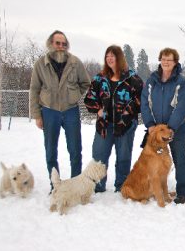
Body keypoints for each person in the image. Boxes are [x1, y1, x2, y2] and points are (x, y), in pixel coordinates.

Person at [30, 30, 90, 189]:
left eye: (64, 44)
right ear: (51, 44)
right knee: (50, 151)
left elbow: (85, 83)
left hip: (71, 110)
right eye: (58, 43)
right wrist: (37, 115)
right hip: (49, 111)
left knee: (75, 150)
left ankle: (75, 185)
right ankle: (55, 186)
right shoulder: (40, 65)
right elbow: (34, 89)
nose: (61, 46)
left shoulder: (75, 63)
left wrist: (74, 95)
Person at [84, 45, 143, 192]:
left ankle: (122, 185)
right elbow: (89, 98)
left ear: (120, 58)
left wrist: (128, 114)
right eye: (107, 56)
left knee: (123, 157)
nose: (109, 58)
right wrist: (97, 109)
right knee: (99, 156)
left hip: (125, 125)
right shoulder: (100, 78)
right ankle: (97, 185)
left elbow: (141, 101)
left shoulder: (132, 78)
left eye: (113, 55)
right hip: (104, 125)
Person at [140, 47, 185, 204]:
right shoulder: (151, 81)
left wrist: (170, 128)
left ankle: (183, 191)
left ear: (175, 62)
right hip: (155, 129)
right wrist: (150, 124)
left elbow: (182, 106)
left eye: (169, 59)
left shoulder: (181, 82)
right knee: (154, 159)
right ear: (160, 60)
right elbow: (144, 103)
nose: (166, 62)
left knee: (178, 158)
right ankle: (152, 188)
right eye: (163, 59)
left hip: (176, 129)